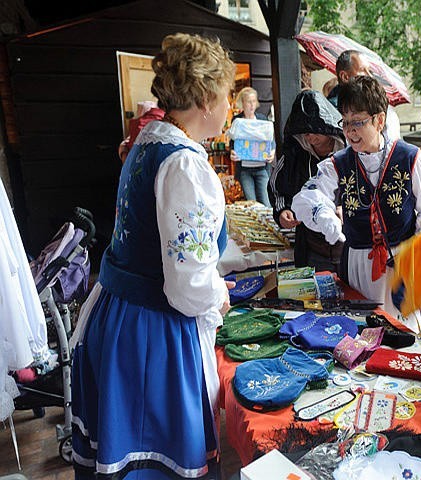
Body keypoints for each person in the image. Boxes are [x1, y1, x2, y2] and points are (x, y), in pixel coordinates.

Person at [71, 33, 235, 479]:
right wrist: (218, 295)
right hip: (152, 333)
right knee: (156, 461)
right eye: (226, 96)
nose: (229, 107)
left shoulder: (148, 145)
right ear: (204, 99)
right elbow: (188, 285)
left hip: (120, 313)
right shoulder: (184, 164)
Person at [292, 75, 421, 335]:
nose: (350, 131)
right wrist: (324, 215)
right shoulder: (339, 163)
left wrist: (412, 259)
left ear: (380, 120)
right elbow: (306, 197)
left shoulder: (412, 159)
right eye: (346, 122)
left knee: (403, 340)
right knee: (361, 338)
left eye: (358, 122)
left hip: (401, 268)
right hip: (357, 268)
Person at [269, 90, 346, 272]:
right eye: (304, 132)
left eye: (314, 130)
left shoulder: (348, 153)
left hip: (345, 244)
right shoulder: (293, 155)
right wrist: (282, 210)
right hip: (310, 245)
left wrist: (347, 209)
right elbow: (276, 186)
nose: (310, 137)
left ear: (327, 126)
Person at [326, 49, 401, 141]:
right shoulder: (330, 110)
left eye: (357, 122)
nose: (370, 76)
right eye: (363, 70)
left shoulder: (380, 107)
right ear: (345, 77)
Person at [230, 86, 273, 207]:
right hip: (245, 170)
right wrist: (232, 152)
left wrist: (273, 151)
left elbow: (270, 139)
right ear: (242, 103)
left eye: (254, 101)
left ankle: (268, 226)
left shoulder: (262, 119)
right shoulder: (237, 120)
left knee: (266, 203)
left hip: (261, 168)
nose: (252, 105)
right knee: (252, 204)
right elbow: (232, 142)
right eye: (249, 101)